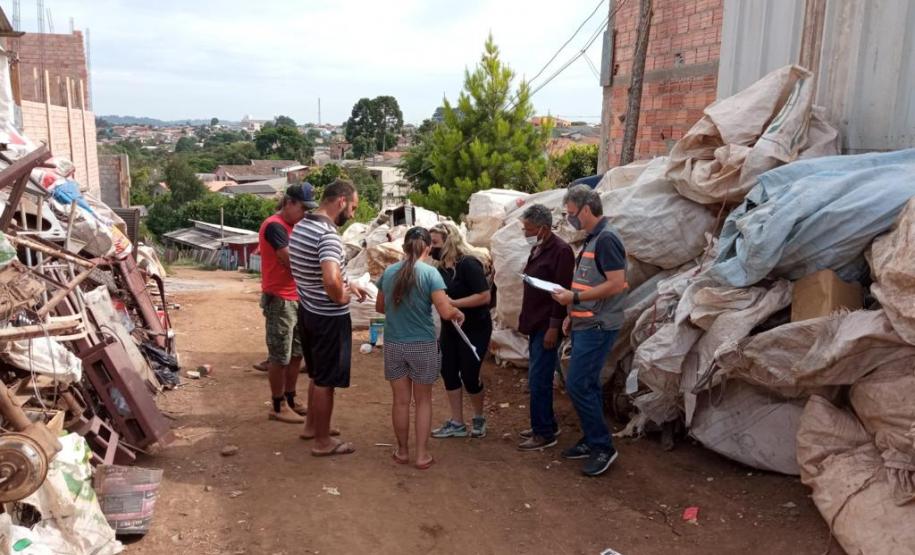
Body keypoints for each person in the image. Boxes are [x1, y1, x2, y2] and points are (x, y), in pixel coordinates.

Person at [551, 184, 628, 477]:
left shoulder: (606, 239)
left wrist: (575, 299)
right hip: (586, 322)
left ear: (586, 209)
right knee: (588, 384)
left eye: (571, 213)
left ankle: (603, 447)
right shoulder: (594, 238)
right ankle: (591, 438)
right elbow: (589, 281)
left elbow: (616, 284)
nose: (569, 219)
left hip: (598, 325)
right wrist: (572, 313)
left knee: (578, 384)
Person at [376, 227, 465, 470]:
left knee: (400, 402)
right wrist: (457, 312)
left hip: (394, 343)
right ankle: (422, 455)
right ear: (428, 247)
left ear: (404, 247)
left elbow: (380, 308)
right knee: (423, 401)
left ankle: (402, 451)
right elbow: (445, 311)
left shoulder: (389, 272)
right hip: (423, 345)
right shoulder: (431, 274)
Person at [289, 178, 367, 456]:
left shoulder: (302, 226)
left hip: (308, 311)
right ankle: (323, 442)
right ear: (341, 201)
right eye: (353, 208)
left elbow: (316, 270)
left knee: (317, 374)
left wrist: (348, 283)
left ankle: (312, 426)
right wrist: (342, 296)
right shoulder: (328, 235)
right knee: (326, 381)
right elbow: (330, 278)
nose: (352, 215)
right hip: (329, 317)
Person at [257, 183, 318, 424]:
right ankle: (277, 404)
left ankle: (290, 398)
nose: (305, 214)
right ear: (289, 203)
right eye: (303, 208)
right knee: (280, 355)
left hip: (297, 297)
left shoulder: (294, 227)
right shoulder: (275, 226)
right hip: (280, 299)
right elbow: (289, 260)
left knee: (296, 354)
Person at [516, 204, 575, 451]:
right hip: (535, 321)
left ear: (543, 228)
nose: (525, 233)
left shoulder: (561, 251)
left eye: (529, 229)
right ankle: (546, 423)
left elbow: (561, 292)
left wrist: (553, 327)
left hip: (546, 324)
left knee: (539, 379)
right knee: (537, 376)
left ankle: (543, 434)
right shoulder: (538, 247)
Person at [428, 222, 492, 439]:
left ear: (449, 241)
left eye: (435, 242)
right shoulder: (440, 269)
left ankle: (479, 417)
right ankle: (457, 422)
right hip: (451, 327)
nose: (432, 247)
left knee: (470, 374)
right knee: (448, 371)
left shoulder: (468, 264)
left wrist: (454, 304)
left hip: (475, 327)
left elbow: (484, 296)